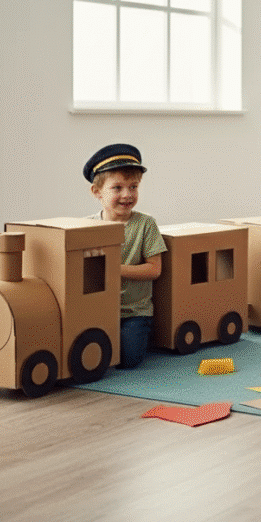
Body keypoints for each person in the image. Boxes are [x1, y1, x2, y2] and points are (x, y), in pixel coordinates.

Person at [84, 143, 166, 370]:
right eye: (117, 188)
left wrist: (114, 269)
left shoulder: (145, 224)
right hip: (98, 308)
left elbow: (154, 269)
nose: (127, 195)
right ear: (97, 192)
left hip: (133, 311)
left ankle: (143, 334)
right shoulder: (87, 226)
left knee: (128, 359)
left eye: (133, 187)